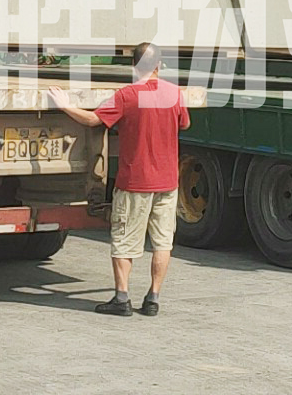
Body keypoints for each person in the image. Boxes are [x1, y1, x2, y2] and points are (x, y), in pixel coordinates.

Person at [47, 42, 190, 317]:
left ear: (133, 66)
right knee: (163, 242)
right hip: (167, 182)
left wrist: (66, 106)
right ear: (159, 66)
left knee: (125, 241)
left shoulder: (126, 96)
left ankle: (122, 298)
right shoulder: (174, 94)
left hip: (135, 182)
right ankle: (153, 298)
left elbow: (92, 120)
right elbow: (184, 124)